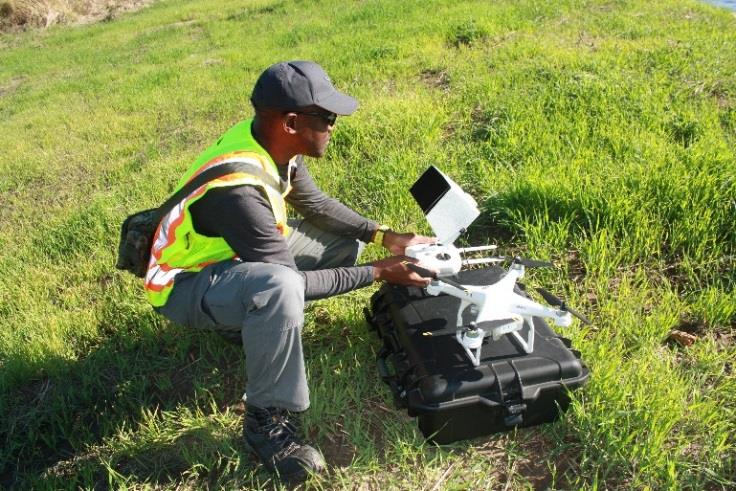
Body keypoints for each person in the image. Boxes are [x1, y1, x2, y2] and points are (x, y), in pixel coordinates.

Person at [144, 60, 435, 482]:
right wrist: (377, 272)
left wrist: (383, 236)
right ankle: (267, 421)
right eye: (327, 117)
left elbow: (314, 205)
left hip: (232, 256)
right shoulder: (239, 192)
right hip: (183, 284)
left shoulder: (272, 145)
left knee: (340, 245)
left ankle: (243, 321)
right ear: (292, 122)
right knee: (278, 289)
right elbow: (292, 284)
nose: (334, 126)